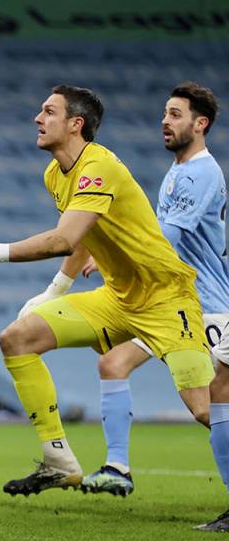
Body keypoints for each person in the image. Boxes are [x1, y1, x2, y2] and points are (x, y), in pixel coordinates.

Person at [0, 85, 212, 496]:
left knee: (204, 408)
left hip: (168, 299)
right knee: (17, 338)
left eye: (48, 111)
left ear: (75, 124)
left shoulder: (100, 167)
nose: (37, 119)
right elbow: (84, 235)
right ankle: (59, 460)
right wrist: (56, 289)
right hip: (117, 298)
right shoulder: (54, 174)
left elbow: (64, 238)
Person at [70, 83, 228, 499]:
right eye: (165, 113)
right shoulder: (180, 171)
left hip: (202, 307)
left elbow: (167, 240)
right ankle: (117, 466)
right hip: (167, 303)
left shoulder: (202, 173)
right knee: (113, 363)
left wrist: (115, 259)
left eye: (176, 114)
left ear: (201, 123)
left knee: (205, 408)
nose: (165, 121)